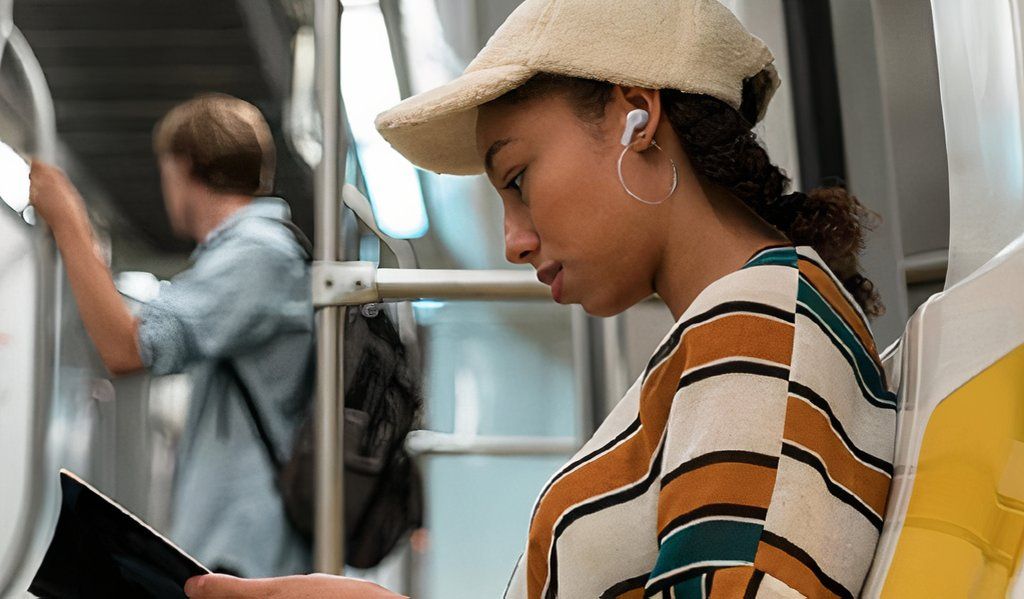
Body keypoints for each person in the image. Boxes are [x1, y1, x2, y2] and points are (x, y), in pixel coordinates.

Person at [186, 0, 896, 597]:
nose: (512, 242)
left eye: (517, 177)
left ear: (637, 117)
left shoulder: (757, 328)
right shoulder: (740, 328)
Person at [30, 94, 314, 578]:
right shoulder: (246, 257)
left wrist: (68, 221)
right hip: (236, 543)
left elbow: (127, 347)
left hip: (246, 547)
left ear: (183, 167)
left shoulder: (258, 256)